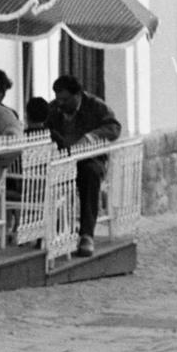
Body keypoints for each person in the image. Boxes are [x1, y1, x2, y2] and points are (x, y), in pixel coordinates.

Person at [45, 74, 123, 258]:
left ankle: (86, 234)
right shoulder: (54, 108)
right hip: (63, 158)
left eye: (65, 99)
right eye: (58, 98)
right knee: (45, 176)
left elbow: (114, 127)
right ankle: (55, 229)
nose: (60, 103)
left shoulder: (95, 106)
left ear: (78, 95)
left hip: (91, 159)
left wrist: (90, 137)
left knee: (90, 176)